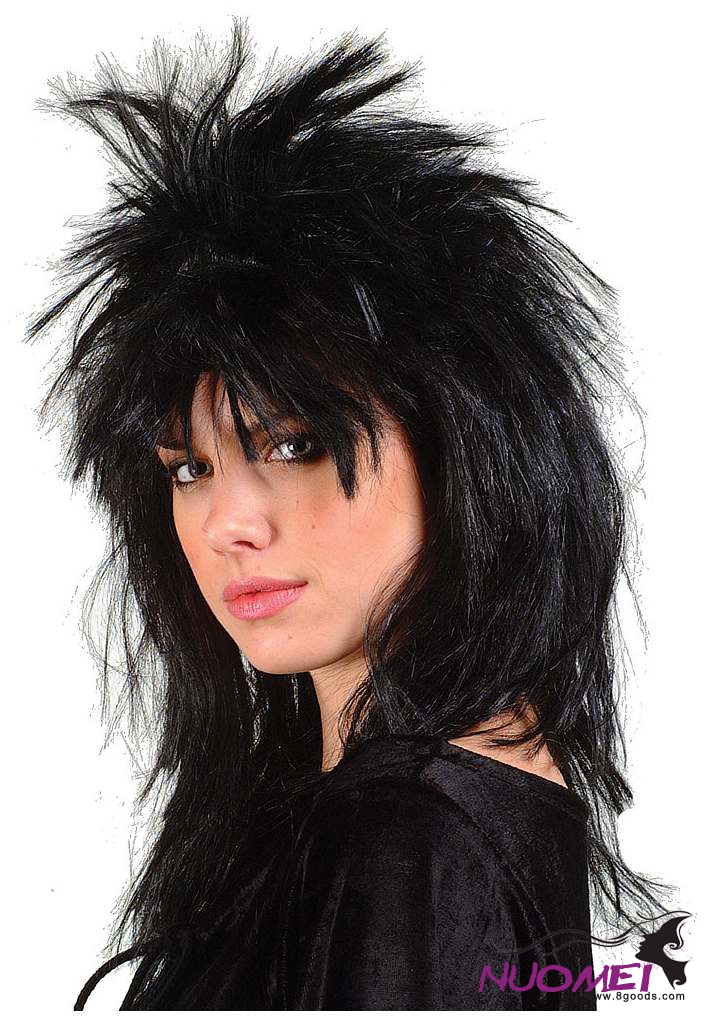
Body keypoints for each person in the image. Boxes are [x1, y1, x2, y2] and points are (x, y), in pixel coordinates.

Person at [28, 20, 677, 1010]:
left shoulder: (412, 831)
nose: (226, 523)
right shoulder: (400, 801)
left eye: (294, 446)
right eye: (190, 467)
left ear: (463, 447)